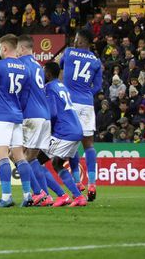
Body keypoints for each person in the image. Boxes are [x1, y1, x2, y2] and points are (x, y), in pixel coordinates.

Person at [0, 34, 34, 209]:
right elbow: (25, 95)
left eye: (0, 47)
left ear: (5, 48)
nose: (0, 50)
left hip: (2, 114)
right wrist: (19, 110)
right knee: (19, 155)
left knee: (1, 153)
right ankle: (28, 195)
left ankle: (6, 196)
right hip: (17, 115)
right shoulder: (25, 68)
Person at [59, 30, 103, 201]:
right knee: (89, 144)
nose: (74, 41)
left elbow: (61, 67)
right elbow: (97, 87)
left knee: (70, 144)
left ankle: (77, 182)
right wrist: (85, 94)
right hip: (86, 103)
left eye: (76, 39)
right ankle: (92, 183)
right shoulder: (96, 61)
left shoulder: (69, 52)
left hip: (69, 102)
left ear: (81, 41)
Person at [41, 62, 87, 207]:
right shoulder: (61, 86)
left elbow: (53, 113)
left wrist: (49, 129)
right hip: (77, 129)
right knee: (57, 163)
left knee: (33, 160)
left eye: (43, 71)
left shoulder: (49, 87)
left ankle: (59, 196)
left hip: (64, 132)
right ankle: (78, 196)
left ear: (48, 74)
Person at [17, 35, 52, 207]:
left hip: (31, 115)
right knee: (31, 158)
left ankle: (39, 193)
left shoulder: (21, 64)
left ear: (22, 49)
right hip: (44, 116)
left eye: (17, 49)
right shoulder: (38, 65)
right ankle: (46, 195)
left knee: (15, 155)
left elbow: (21, 92)